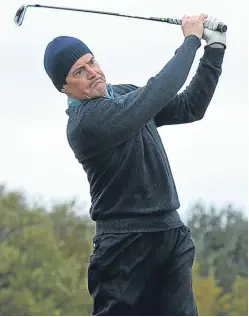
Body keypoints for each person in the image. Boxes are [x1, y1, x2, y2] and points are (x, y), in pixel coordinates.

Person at [43, 14, 226, 316]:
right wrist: (191, 41)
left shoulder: (126, 94)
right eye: (79, 71)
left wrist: (215, 50)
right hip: (123, 248)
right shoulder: (85, 124)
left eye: (92, 62)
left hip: (170, 236)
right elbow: (156, 94)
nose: (92, 72)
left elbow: (191, 106)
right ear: (63, 87)